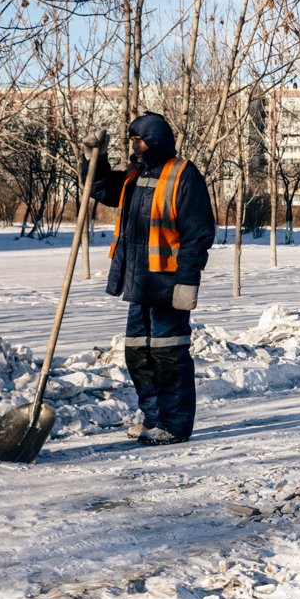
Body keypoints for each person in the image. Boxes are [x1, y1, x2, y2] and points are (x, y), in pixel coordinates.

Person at [85, 112, 215, 446]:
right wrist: (94, 160)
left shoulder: (184, 176)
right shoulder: (134, 176)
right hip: (138, 283)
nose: (134, 147)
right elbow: (98, 189)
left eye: (138, 140)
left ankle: (174, 425)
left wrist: (187, 283)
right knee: (138, 354)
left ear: (154, 141)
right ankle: (154, 419)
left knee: (169, 356)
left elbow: (197, 234)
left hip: (169, 285)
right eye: (131, 141)